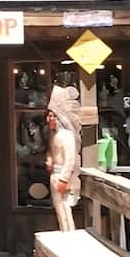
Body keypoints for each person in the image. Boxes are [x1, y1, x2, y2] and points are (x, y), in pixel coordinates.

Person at [46, 85, 81, 232]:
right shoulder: (54, 135)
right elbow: (52, 152)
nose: (49, 119)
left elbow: (70, 158)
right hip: (55, 174)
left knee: (65, 207)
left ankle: (69, 233)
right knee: (59, 208)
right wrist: (49, 158)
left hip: (62, 175)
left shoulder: (66, 135)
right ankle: (64, 231)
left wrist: (64, 178)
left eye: (52, 116)